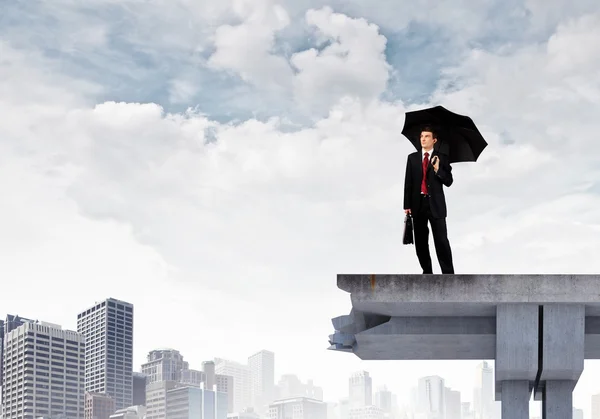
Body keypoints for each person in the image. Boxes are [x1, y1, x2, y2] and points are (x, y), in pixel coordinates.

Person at [403, 126, 454, 274]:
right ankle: (427, 273)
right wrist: (406, 205)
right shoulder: (412, 158)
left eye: (427, 136)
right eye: (421, 136)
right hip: (417, 204)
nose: (423, 139)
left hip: (436, 205)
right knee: (420, 242)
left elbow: (449, 181)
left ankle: (448, 274)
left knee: (442, 241)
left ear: (434, 140)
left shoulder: (442, 157)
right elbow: (408, 182)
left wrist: (438, 169)